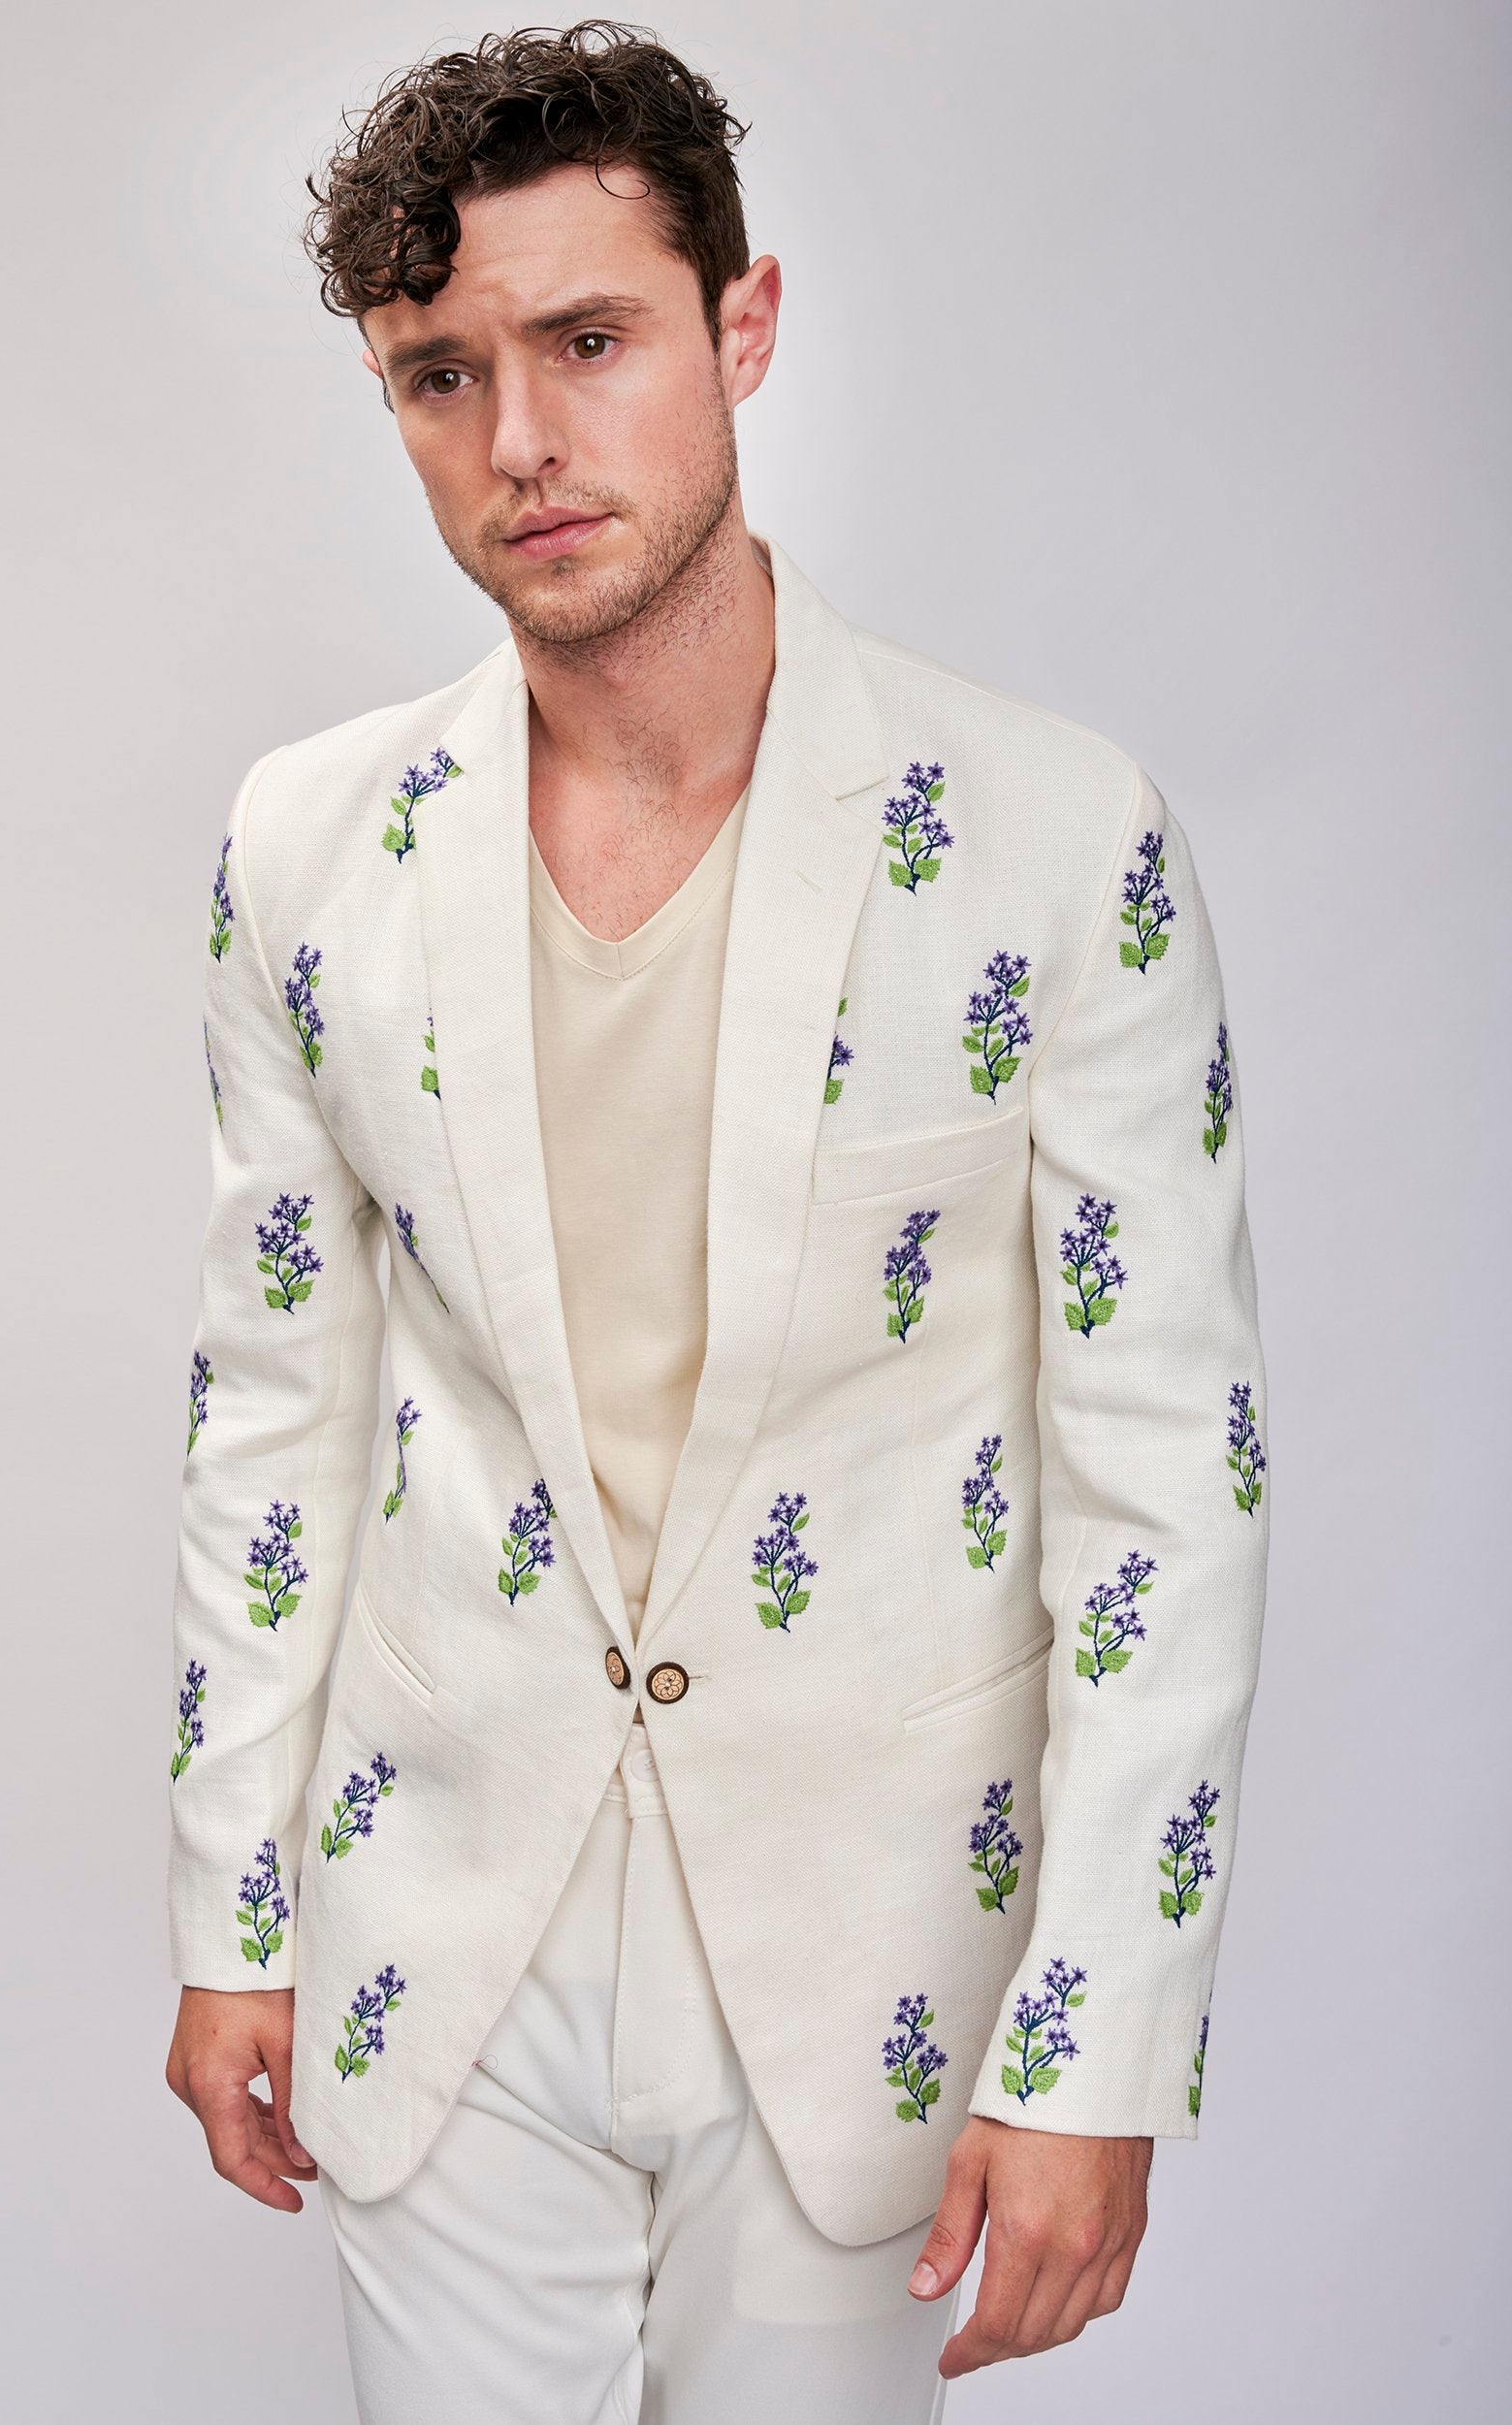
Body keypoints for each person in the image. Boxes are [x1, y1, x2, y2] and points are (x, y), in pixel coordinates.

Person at [162, 21, 1271, 2422]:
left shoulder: (1054, 842)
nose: (522, 443)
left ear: (738, 329)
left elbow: (1166, 1484)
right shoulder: (303, 850)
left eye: (588, 339)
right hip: (435, 1935)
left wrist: (1100, 2042)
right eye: (439, 374)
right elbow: (273, 1408)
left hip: (870, 1947)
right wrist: (232, 1908)